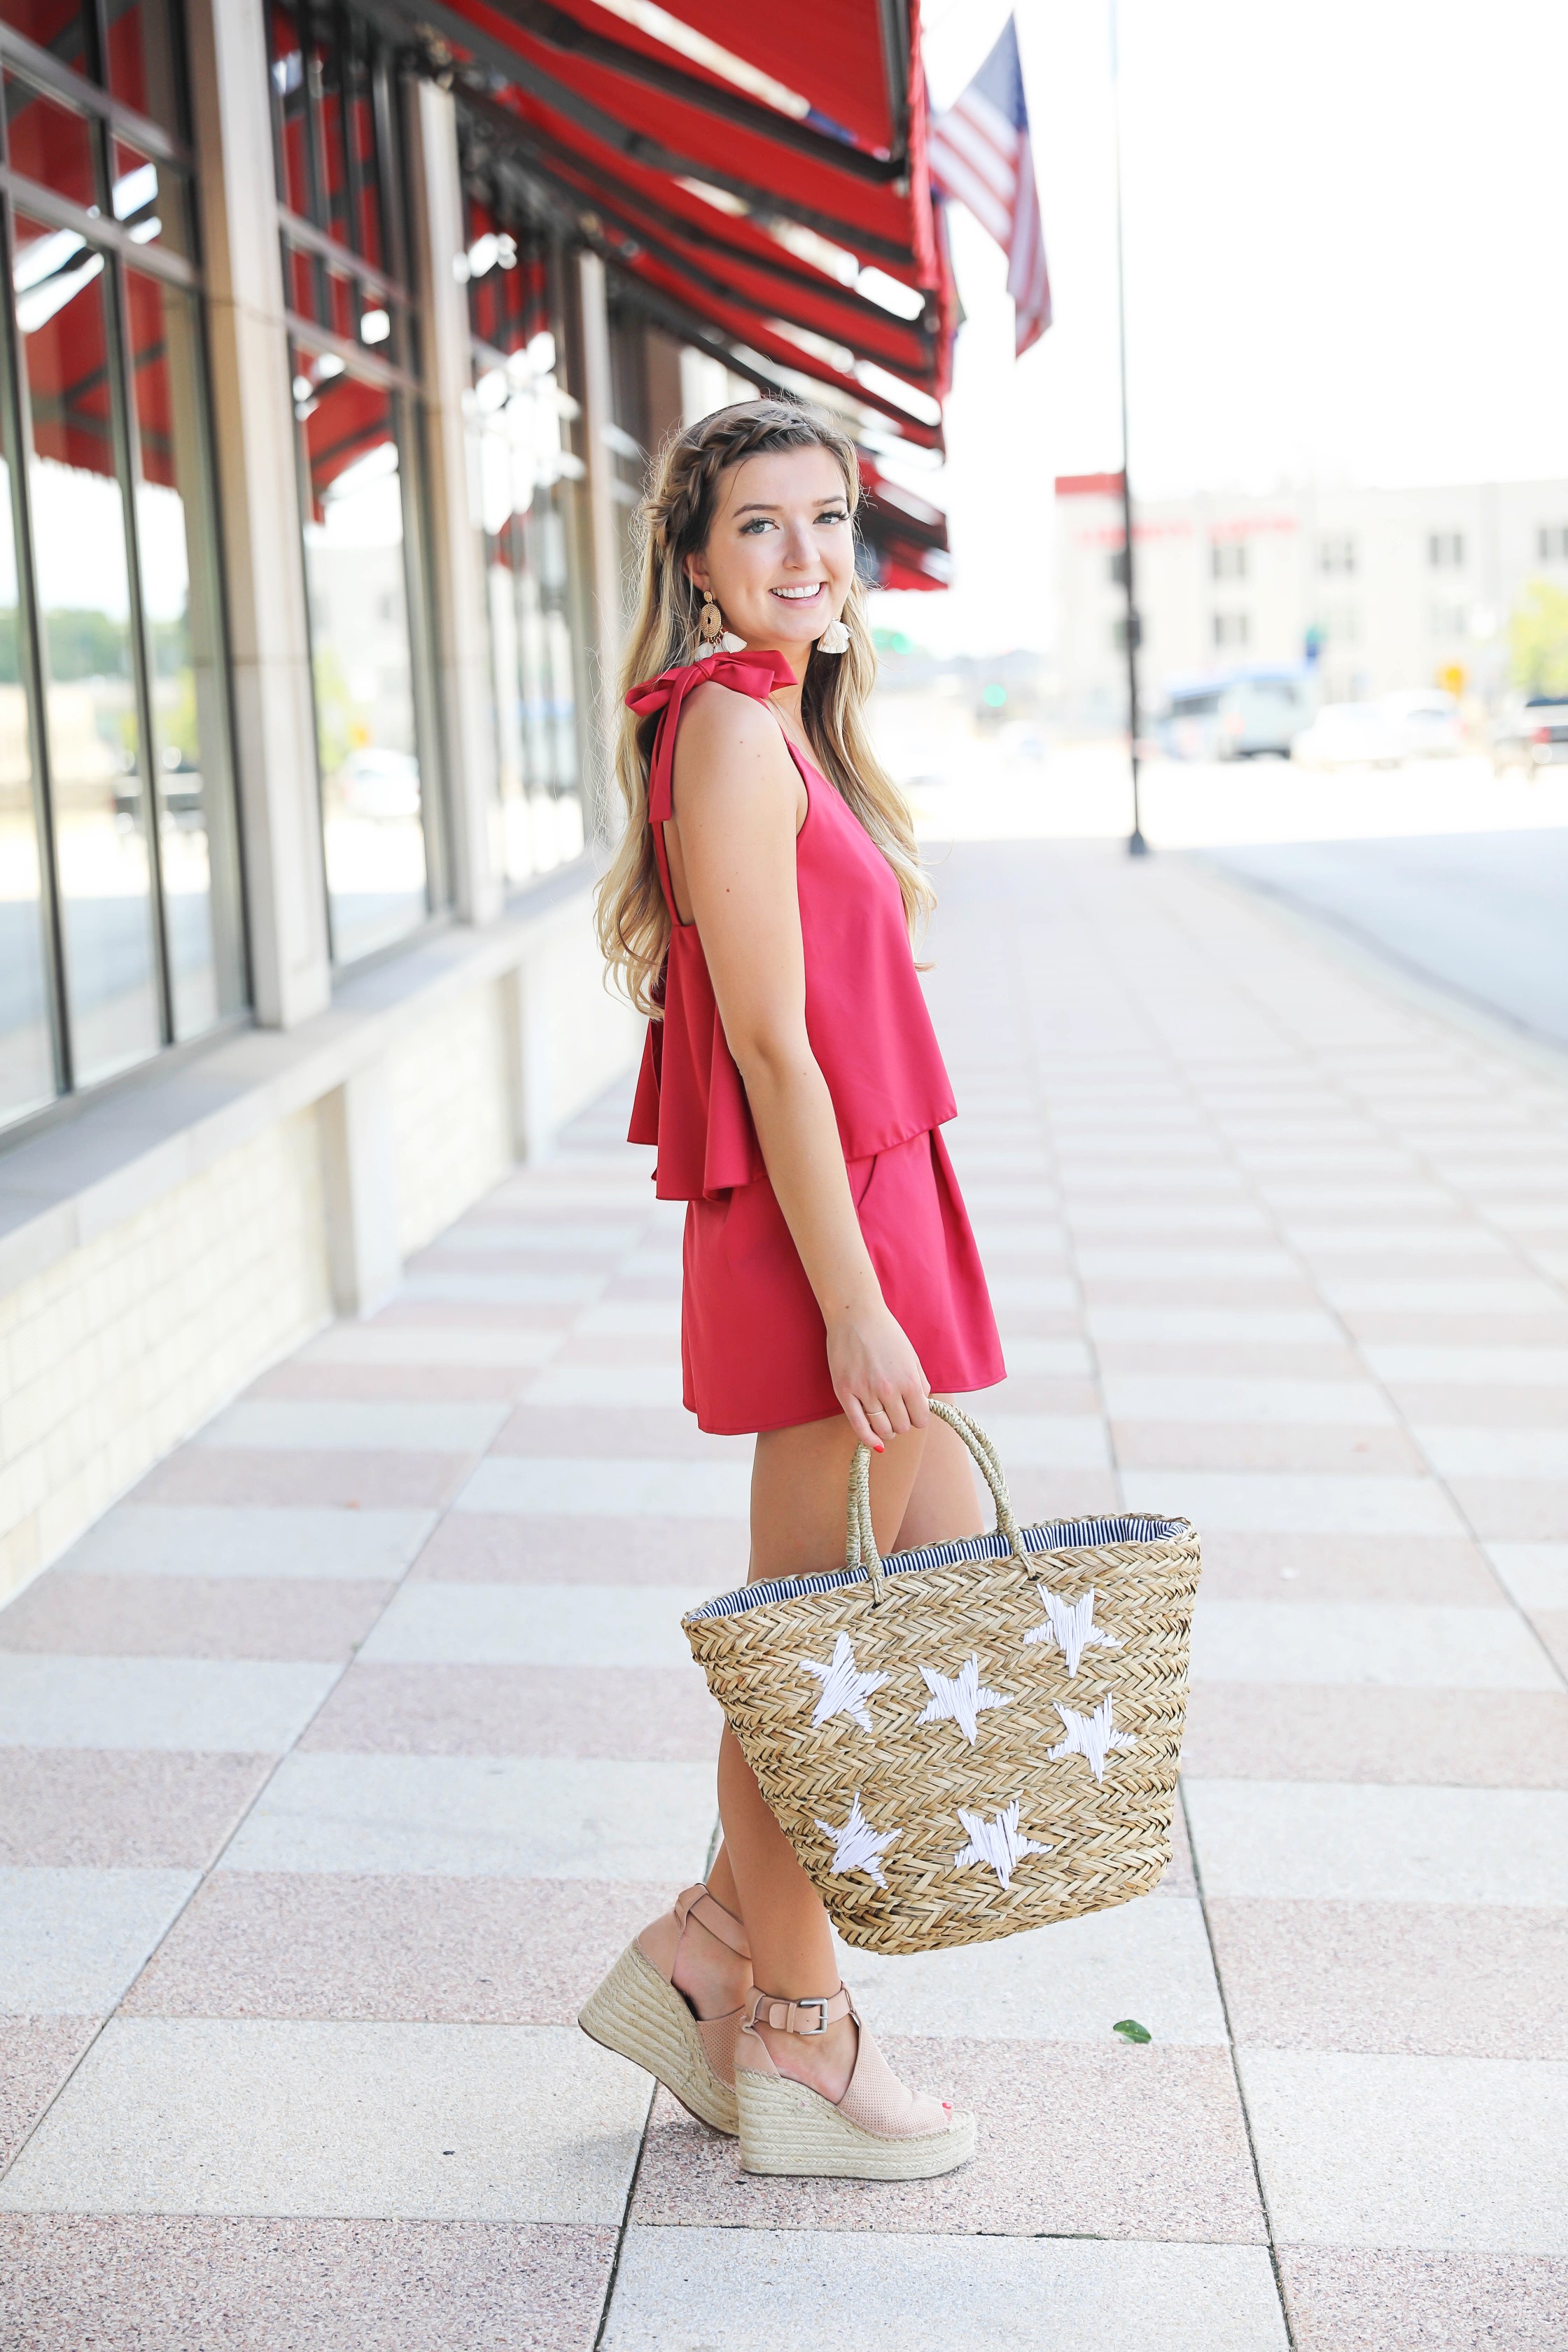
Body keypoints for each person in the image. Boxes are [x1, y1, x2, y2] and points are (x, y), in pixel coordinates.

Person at [580, 399, 1004, 2180]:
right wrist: (849, 1298)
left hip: (877, 1204)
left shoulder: (788, 726)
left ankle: (713, 1939)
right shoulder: (728, 739)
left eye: (830, 520)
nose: (808, 557)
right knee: (814, 1647)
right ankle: (801, 2035)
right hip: (826, 1225)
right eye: (762, 527)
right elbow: (766, 1040)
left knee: (899, 1575)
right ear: (695, 560)